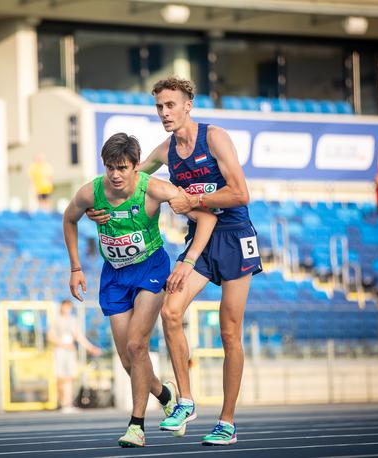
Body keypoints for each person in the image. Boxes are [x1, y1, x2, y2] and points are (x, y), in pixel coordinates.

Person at [87, 76, 262, 446]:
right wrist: (100, 209)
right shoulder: (165, 152)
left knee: (229, 330)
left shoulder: (214, 138)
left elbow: (241, 193)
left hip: (233, 237)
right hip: (197, 240)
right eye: (159, 107)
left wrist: (195, 201)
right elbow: (127, 182)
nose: (165, 113)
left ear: (187, 106)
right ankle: (184, 401)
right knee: (171, 311)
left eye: (170, 105)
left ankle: (227, 422)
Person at [63, 132, 217, 447]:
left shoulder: (155, 190)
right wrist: (76, 268)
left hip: (151, 269)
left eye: (122, 168)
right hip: (115, 276)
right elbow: (69, 219)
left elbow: (204, 217)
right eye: (110, 168)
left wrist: (188, 261)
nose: (116, 175)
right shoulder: (91, 193)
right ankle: (164, 393)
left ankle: (136, 426)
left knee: (137, 345)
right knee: (127, 360)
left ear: (136, 166)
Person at [47, 299, 102, 413]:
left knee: (70, 377)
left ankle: (68, 403)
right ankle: (62, 403)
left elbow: (79, 337)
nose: (66, 309)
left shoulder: (73, 320)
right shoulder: (56, 320)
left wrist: (91, 348)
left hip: (70, 351)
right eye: (65, 307)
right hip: (60, 350)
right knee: (61, 377)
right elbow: (50, 337)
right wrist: (63, 344)